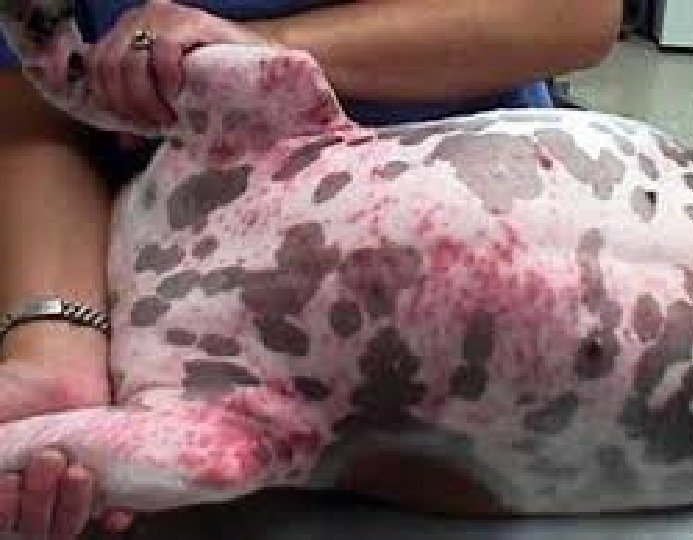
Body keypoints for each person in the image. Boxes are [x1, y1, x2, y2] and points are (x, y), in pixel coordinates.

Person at [0, 1, 622, 538]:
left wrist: (262, 49)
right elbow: (33, 108)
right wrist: (55, 340)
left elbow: (573, 15)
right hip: (210, 357)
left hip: (548, 220)